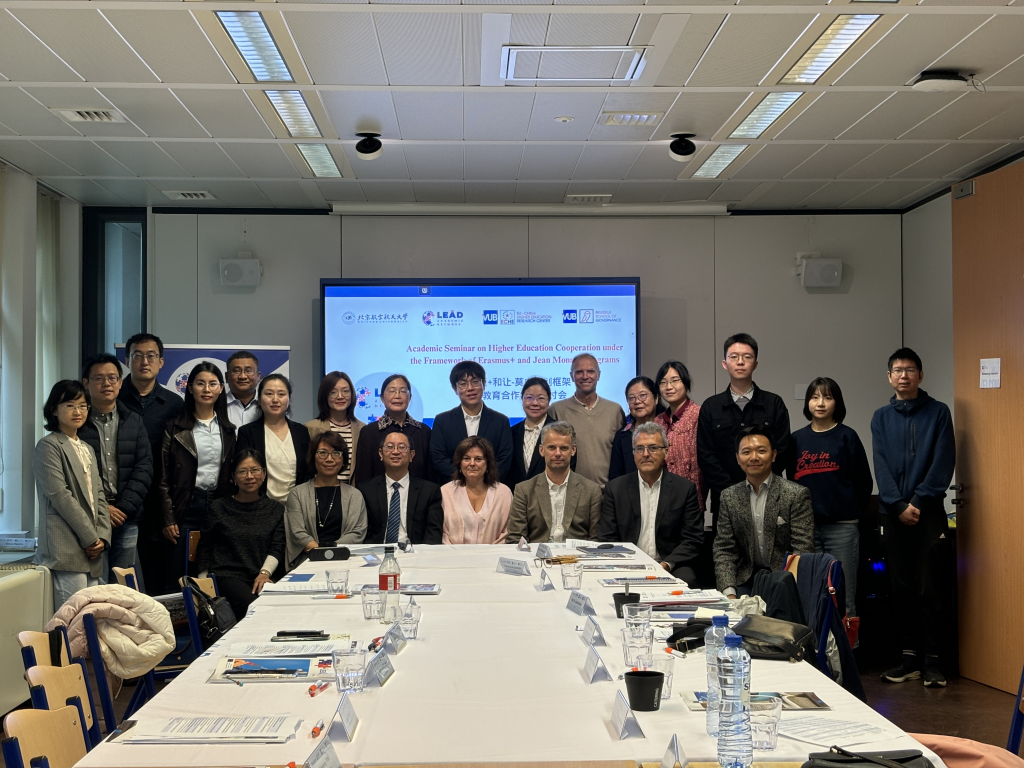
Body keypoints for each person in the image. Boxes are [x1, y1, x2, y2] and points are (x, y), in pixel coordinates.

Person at [871, 348, 955, 688]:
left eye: (910, 370)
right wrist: (897, 505)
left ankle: (933, 661)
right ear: (889, 377)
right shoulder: (880, 417)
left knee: (930, 588)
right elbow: (880, 465)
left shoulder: (938, 412)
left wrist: (917, 501)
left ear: (920, 375)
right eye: (897, 370)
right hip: (892, 514)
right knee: (900, 588)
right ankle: (908, 659)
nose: (903, 375)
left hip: (929, 512)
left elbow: (943, 461)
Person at [790, 377, 872, 619]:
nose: (820, 403)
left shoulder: (847, 436)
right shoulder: (797, 439)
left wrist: (850, 511)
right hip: (806, 529)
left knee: (843, 596)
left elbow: (863, 482)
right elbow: (790, 483)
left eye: (827, 397)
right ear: (807, 403)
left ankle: (847, 643)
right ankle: (815, 644)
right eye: (815, 397)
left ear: (837, 403)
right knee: (810, 595)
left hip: (842, 528)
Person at [697, 333, 791, 529]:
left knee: (771, 546)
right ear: (725, 364)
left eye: (747, 357)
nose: (740, 362)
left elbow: (782, 450)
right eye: (734, 357)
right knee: (727, 547)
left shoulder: (774, 403)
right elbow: (706, 456)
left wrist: (758, 485)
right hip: (725, 500)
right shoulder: (711, 407)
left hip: (769, 496)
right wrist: (733, 493)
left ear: (755, 364)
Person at [34, 381, 111, 610]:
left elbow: (99, 495)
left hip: (93, 550)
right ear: (54, 410)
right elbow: (61, 496)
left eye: (83, 405)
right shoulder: (48, 446)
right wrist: (91, 538)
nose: (78, 411)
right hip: (66, 547)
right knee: (73, 619)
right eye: (69, 405)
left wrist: (102, 537)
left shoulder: (87, 448)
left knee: (92, 615)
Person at [78, 353, 154, 585]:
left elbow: (144, 468)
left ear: (120, 382)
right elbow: (75, 477)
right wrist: (103, 509)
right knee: (96, 583)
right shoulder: (77, 423)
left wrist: (123, 509)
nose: (107, 384)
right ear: (86, 383)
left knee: (125, 582)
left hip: (126, 517)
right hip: (90, 518)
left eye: (112, 378)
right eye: (99, 378)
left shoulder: (133, 420)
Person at [117, 332, 183, 594]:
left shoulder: (174, 404)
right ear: (127, 360)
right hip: (121, 499)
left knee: (160, 575)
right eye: (138, 356)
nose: (145, 362)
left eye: (151, 356)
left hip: (160, 501)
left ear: (161, 362)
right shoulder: (114, 399)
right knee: (123, 577)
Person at [158, 362, 236, 583]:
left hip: (219, 505)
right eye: (200, 383)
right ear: (190, 388)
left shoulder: (228, 430)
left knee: (214, 569)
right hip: (186, 504)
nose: (206, 389)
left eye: (213, 384)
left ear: (221, 388)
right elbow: (162, 477)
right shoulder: (174, 428)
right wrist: (168, 518)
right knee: (180, 571)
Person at [714, 426, 814, 597]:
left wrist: (787, 588)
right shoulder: (729, 496)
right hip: (745, 578)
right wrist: (729, 593)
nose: (754, 457)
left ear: (773, 455)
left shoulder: (795, 494)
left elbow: (802, 549)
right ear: (738, 458)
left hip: (784, 577)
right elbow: (724, 549)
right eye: (746, 452)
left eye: (761, 451)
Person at [597, 422, 703, 583]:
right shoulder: (615, 488)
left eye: (653, 448)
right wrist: (630, 564)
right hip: (627, 563)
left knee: (687, 578)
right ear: (633, 454)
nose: (645, 454)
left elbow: (692, 538)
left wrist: (666, 565)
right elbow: (607, 537)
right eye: (639, 449)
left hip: (670, 563)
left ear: (666, 452)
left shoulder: (684, 489)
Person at [195, 449, 285, 620]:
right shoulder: (219, 508)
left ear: (264, 473)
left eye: (255, 470)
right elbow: (205, 546)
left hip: (261, 575)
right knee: (255, 608)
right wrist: (204, 585)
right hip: (226, 576)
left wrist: (265, 573)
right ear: (233, 477)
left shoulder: (275, 509)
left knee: (282, 606)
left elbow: (277, 546)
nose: (249, 476)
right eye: (242, 471)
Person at [505, 421, 602, 544]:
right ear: (541, 450)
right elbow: (515, 539)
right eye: (551, 447)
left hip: (577, 555)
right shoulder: (524, 490)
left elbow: (596, 540)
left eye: (564, 448)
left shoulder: (591, 490)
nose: (557, 453)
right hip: (536, 555)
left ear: (573, 450)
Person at [285, 431, 368, 568]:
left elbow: (357, 533)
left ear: (343, 459)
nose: (329, 459)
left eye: (336, 453)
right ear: (313, 457)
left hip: (345, 561)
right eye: (322, 453)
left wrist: (332, 552)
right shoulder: (297, 494)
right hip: (308, 562)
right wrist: (321, 554)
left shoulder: (354, 495)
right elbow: (297, 532)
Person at [549, 353, 625, 489]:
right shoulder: (557, 410)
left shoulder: (615, 411)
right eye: (579, 372)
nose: (585, 376)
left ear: (598, 375)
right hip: (569, 491)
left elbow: (622, 455)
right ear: (571, 376)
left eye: (590, 371)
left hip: (607, 492)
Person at [431, 361, 513, 482]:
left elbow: (504, 459)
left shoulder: (501, 421)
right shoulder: (442, 421)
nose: (470, 388)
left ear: (483, 384)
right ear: (455, 389)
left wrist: (482, 482)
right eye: (463, 384)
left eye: (475, 382)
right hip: (453, 487)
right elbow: (439, 458)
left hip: (490, 487)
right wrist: (464, 480)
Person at [236, 374, 312, 504]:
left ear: (289, 400)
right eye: (269, 394)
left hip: (296, 506)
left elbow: (308, 471)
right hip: (260, 507)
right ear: (259, 399)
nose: (275, 399)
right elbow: (243, 472)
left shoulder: (301, 432)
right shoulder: (247, 432)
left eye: (281, 394)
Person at [359, 431, 444, 545]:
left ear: (411, 455)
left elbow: (433, 534)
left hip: (415, 552)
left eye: (402, 447)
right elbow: (365, 534)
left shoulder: (429, 491)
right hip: (378, 551)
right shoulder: (366, 490)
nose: (395, 452)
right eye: (389, 447)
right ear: (381, 453)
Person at [352, 374, 433, 486]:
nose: (397, 396)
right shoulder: (369, 432)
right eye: (391, 391)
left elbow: (430, 476)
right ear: (382, 398)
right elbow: (363, 476)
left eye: (403, 391)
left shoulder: (424, 431)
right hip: (378, 495)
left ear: (410, 397)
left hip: (419, 495)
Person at [441, 436, 512, 545]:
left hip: (494, 554)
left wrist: (488, 554)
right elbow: (443, 534)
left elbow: (508, 533)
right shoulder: (445, 492)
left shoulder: (503, 493)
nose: (472, 463)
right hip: (453, 554)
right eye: (466, 458)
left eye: (478, 459)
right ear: (459, 463)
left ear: (488, 464)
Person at [654, 361, 706, 509]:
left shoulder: (699, 414)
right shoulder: (658, 421)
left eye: (675, 381)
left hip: (691, 497)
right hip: (661, 497)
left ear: (686, 384)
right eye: (663, 382)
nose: (668, 387)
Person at [507, 377, 575, 487]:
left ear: (549, 401)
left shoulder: (562, 432)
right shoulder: (511, 432)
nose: (535, 403)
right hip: (516, 494)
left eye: (541, 398)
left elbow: (569, 467)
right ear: (522, 399)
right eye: (529, 398)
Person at [305, 371, 365, 485]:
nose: (340, 396)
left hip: (353, 492)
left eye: (345, 391)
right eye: (333, 392)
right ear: (325, 396)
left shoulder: (363, 429)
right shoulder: (310, 428)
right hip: (320, 491)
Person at [608, 376, 659, 482]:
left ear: (656, 398)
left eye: (643, 395)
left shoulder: (668, 429)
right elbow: (615, 477)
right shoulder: (622, 435)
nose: (637, 401)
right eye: (631, 398)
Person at [224, 351, 261, 427]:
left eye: (248, 371)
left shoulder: (267, 404)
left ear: (258, 376)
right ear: (227, 377)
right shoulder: (216, 405)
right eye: (237, 371)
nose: (243, 376)